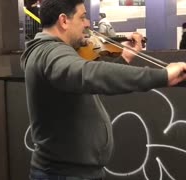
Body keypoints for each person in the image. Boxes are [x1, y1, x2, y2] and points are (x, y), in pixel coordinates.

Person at [20, 0, 186, 179]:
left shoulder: (52, 53)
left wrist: (124, 57)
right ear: (63, 20)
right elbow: (88, 73)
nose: (87, 24)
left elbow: (86, 82)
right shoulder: (50, 53)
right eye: (82, 17)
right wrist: (163, 76)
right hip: (63, 174)